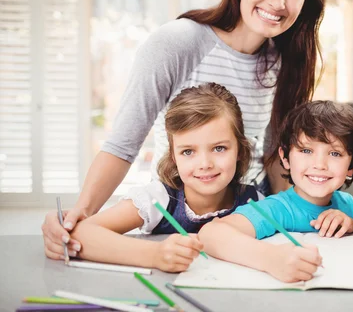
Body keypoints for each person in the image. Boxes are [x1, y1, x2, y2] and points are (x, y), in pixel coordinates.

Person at [42, 0, 326, 260]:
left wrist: (291, 220)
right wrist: (81, 215)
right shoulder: (178, 43)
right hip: (178, 208)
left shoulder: (286, 61)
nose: (278, 2)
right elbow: (123, 145)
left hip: (246, 219)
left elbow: (276, 159)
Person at [69, 84, 259, 272]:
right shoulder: (157, 198)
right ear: (173, 157)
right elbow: (81, 234)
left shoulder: (256, 202)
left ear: (240, 150)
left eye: (219, 148)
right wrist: (155, 254)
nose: (205, 164)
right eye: (188, 151)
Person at [199, 101, 353, 283]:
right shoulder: (276, 209)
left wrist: (352, 226)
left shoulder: (346, 204)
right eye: (306, 150)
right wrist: (271, 259)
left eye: (335, 153)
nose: (319, 164)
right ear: (285, 158)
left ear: (351, 167)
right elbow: (210, 234)